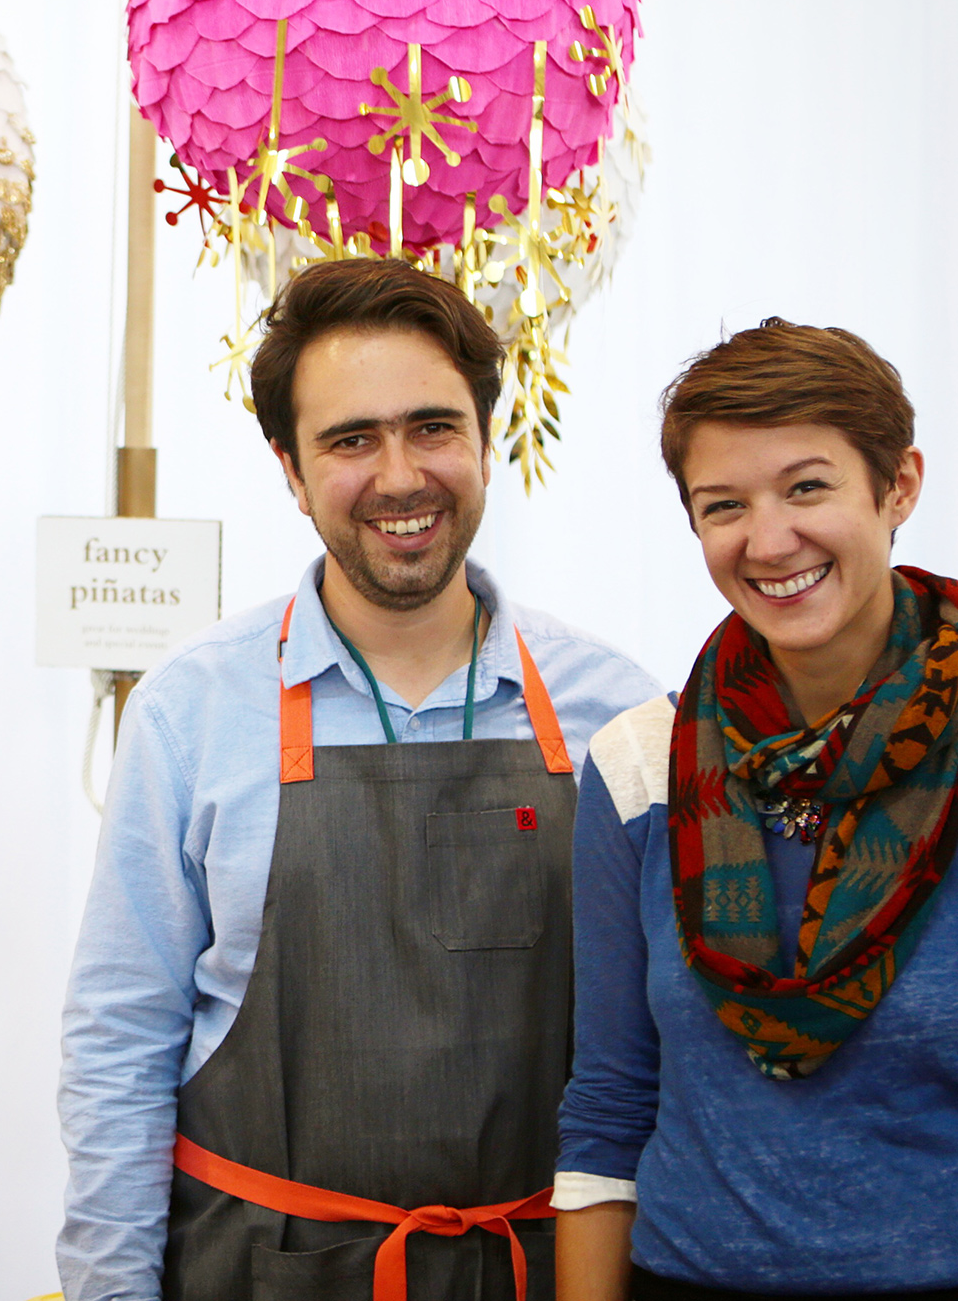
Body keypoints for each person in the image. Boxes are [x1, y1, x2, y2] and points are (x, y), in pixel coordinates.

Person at [58, 258, 661, 1301]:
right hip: (260, 1273)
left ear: (483, 439)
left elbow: (673, 1045)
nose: (399, 476)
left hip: (549, 1275)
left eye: (433, 427)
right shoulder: (191, 715)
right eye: (350, 440)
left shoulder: (623, 714)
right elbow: (119, 1046)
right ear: (290, 470)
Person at [555, 318, 958, 1301]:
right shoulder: (645, 764)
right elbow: (609, 1108)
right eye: (723, 504)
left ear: (898, 485)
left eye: (807, 487)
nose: (768, 540)